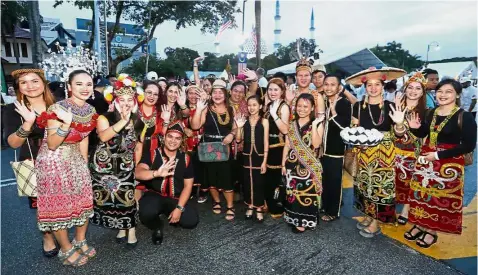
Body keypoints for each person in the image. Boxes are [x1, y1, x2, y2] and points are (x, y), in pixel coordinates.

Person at [35, 70, 99, 266]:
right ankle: (65, 249)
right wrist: (67, 124)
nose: (85, 88)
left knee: (84, 200)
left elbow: (84, 137)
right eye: (79, 84)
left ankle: (80, 240)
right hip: (53, 161)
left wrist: (84, 162)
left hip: (75, 158)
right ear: (69, 86)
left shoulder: (90, 110)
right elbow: (53, 143)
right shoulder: (58, 108)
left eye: (88, 84)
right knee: (59, 207)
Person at [405, 79, 477, 248]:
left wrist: (437, 155)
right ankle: (421, 224)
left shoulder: (464, 116)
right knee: (422, 196)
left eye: (449, 91)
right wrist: (414, 127)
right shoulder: (431, 112)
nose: (443, 95)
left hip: (448, 164)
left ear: (457, 94)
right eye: (440, 91)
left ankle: (432, 231)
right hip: (426, 160)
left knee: (439, 199)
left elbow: (468, 145)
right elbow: (423, 132)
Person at [346, 66, 406, 238]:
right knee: (365, 186)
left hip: (384, 153)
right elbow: (354, 128)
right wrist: (358, 142)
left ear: (383, 86)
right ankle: (368, 214)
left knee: (381, 188)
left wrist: (400, 124)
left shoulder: (391, 106)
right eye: (369, 85)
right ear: (365, 87)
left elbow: (399, 135)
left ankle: (377, 222)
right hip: (363, 152)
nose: (373, 88)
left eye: (377, 84)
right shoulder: (358, 106)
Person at [4, 68, 58, 257]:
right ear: (18, 87)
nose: (30, 86)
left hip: (61, 158)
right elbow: (12, 143)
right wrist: (27, 123)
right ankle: (48, 236)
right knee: (41, 203)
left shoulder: (57, 104)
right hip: (33, 160)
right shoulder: (14, 109)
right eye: (24, 82)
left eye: (34, 81)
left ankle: (63, 231)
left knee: (63, 199)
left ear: (43, 83)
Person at [89, 74, 145, 249]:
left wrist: (137, 166)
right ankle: (121, 228)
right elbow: (104, 136)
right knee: (113, 201)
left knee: (128, 199)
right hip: (103, 166)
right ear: (114, 101)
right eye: (122, 99)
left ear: (135, 101)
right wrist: (123, 121)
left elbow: (138, 146)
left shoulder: (139, 122)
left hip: (126, 165)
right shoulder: (103, 117)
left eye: (130, 99)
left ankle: (132, 231)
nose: (126, 103)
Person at [136, 120, 199, 245]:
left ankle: (170, 212)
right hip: (155, 195)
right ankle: (157, 226)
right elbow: (138, 172)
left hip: (176, 198)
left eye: (177, 138)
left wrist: (179, 209)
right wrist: (156, 173)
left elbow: (188, 186)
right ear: (164, 137)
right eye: (170, 136)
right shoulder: (152, 154)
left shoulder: (186, 158)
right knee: (145, 213)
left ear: (182, 141)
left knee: (191, 221)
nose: (173, 140)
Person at [191, 79, 238, 221]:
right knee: (210, 177)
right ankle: (217, 201)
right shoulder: (206, 108)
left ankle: (230, 206)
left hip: (225, 146)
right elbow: (195, 126)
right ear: (211, 94)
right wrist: (199, 109)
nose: (217, 95)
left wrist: (232, 134)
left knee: (227, 177)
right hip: (209, 145)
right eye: (215, 92)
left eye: (220, 92)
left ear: (225, 94)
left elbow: (236, 127)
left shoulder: (231, 109)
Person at [282, 93, 325, 232]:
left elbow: (316, 144)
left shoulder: (317, 124)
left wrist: (314, 124)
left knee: (306, 194)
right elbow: (287, 145)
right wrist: (283, 163)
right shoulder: (291, 124)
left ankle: (306, 221)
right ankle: (294, 218)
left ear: (312, 107)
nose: (302, 109)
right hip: (292, 165)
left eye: (306, 106)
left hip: (308, 166)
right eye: (299, 106)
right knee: (292, 193)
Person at [393, 72, 427, 226]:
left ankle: (406, 209)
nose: (413, 91)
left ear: (422, 92)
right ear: (405, 89)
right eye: (410, 87)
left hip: (413, 153)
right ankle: (390, 206)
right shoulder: (396, 106)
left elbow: (424, 135)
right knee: (392, 181)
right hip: (393, 151)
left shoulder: (426, 112)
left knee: (409, 183)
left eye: (418, 88)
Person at [320, 75, 352, 221]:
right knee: (324, 180)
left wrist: (333, 113)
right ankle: (324, 206)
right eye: (326, 84)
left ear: (339, 87)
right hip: (321, 150)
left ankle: (333, 211)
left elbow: (345, 128)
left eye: (333, 85)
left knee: (334, 182)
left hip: (335, 150)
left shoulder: (344, 103)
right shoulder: (323, 101)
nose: (329, 87)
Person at [235, 95, 269, 222]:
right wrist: (239, 127)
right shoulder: (244, 121)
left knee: (259, 182)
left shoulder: (264, 121)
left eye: (254, 105)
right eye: (249, 105)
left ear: (260, 106)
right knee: (248, 182)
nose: (252, 108)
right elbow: (238, 140)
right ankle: (249, 205)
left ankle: (259, 207)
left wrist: (265, 161)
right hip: (246, 156)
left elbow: (266, 142)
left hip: (259, 156)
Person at [263, 78, 290, 219]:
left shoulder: (283, 107)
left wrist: (275, 115)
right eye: (270, 89)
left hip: (278, 148)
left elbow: (285, 130)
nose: (272, 92)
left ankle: (277, 207)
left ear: (282, 91)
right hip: (267, 146)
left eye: (276, 89)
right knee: (268, 178)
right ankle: (269, 203)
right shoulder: (269, 105)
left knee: (276, 179)